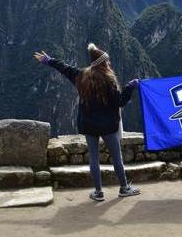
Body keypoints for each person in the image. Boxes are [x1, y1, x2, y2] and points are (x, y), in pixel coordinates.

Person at [33, 43, 141, 201]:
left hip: (89, 125)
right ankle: (124, 187)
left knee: (93, 158)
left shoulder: (80, 76)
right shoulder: (109, 82)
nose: (109, 64)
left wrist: (49, 61)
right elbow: (120, 102)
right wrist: (129, 88)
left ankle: (98, 192)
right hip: (108, 126)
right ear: (103, 63)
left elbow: (65, 68)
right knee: (116, 157)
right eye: (107, 61)